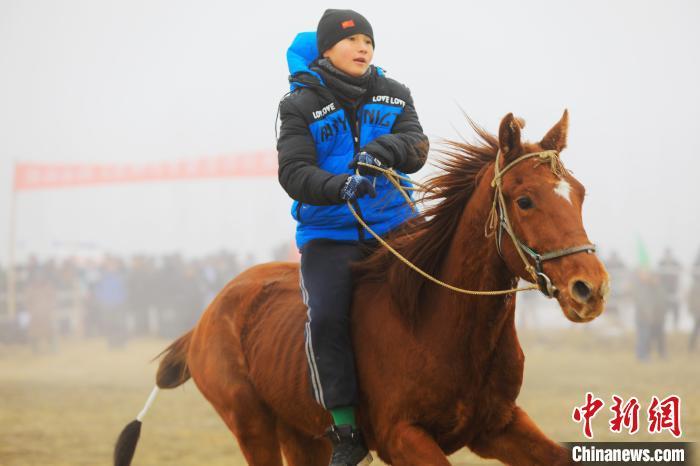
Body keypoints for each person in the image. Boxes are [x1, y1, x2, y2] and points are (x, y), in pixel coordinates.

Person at [276, 9, 429, 465]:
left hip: (396, 223)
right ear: (326, 50)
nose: (363, 47)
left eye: (369, 40)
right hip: (329, 233)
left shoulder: (395, 94)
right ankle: (345, 430)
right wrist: (338, 186)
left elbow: (418, 147)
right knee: (325, 318)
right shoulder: (297, 105)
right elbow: (293, 172)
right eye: (352, 40)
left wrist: (386, 150)